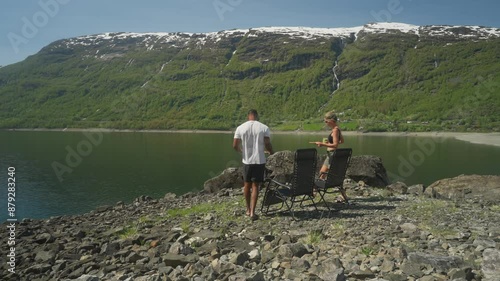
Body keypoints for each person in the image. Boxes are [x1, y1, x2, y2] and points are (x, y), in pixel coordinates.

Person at [233, 109, 274, 221]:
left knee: (247, 185)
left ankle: (247, 209)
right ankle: (252, 212)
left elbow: (235, 145)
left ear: (248, 116)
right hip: (259, 160)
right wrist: (271, 151)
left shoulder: (240, 127)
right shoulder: (263, 127)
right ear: (256, 116)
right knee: (255, 186)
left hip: (247, 161)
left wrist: (241, 151)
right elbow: (267, 143)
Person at [310, 111, 344, 178]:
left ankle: (317, 187)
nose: (325, 123)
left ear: (331, 121)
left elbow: (335, 145)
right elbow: (341, 141)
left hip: (332, 155)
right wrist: (328, 143)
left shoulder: (335, 130)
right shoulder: (337, 129)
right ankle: (318, 187)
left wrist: (322, 144)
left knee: (321, 175)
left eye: (326, 121)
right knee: (321, 174)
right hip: (330, 155)